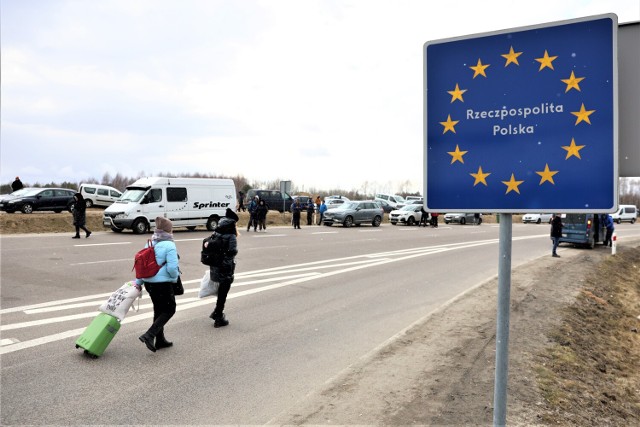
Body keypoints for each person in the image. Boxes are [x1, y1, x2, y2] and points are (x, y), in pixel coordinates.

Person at [137, 217, 179, 352]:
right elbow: (172, 268)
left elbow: (143, 265)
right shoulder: (170, 245)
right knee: (170, 309)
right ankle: (149, 334)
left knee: (159, 310)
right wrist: (174, 278)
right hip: (163, 284)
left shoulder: (150, 243)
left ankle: (160, 340)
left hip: (149, 283)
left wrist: (139, 282)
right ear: (168, 230)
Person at [207, 208, 239, 328]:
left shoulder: (217, 231)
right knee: (223, 292)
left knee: (221, 291)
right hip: (225, 267)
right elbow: (232, 251)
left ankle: (217, 312)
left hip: (215, 265)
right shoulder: (231, 235)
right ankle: (218, 316)